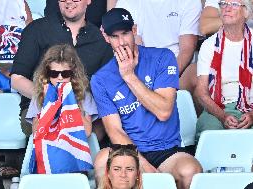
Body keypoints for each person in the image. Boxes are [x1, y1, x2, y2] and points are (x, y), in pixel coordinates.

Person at [91, 8, 202, 189]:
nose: (121, 42)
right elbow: (115, 132)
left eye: (125, 33)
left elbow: (164, 111)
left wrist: (129, 76)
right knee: (103, 160)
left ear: (134, 30)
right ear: (106, 37)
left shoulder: (162, 58)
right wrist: (144, 167)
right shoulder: (100, 79)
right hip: (127, 152)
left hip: (167, 150)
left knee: (190, 170)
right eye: (114, 36)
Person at [10, 0, 113, 137]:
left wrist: (75, 105)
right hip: (42, 107)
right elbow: (17, 79)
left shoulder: (101, 39)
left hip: (85, 109)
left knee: (103, 126)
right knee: (53, 131)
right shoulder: (36, 29)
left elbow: (107, 87)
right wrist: (54, 99)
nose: (69, 1)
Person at [195, 0, 253, 141]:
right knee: (211, 134)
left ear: (246, 12)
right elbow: (201, 92)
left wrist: (252, 115)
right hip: (219, 108)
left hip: (250, 107)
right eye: (223, 4)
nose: (227, 8)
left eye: (233, 4)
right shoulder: (209, 45)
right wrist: (222, 116)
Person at [26, 44, 97, 138]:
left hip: (75, 146)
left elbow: (87, 132)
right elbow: (37, 132)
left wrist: (69, 101)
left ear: (73, 74)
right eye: (54, 73)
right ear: (47, 74)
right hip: (50, 147)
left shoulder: (84, 95)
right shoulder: (40, 95)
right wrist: (48, 103)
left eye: (65, 73)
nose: (60, 78)